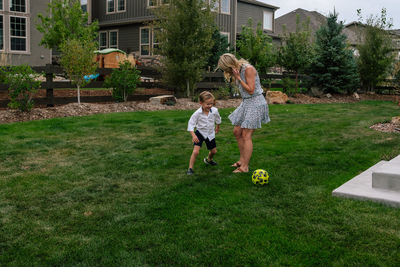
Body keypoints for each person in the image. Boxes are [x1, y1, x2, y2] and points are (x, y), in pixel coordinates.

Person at [217, 53, 270, 173]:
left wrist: (239, 78)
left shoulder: (248, 69)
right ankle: (241, 160)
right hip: (246, 102)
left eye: (227, 69)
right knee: (237, 131)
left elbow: (251, 90)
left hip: (256, 102)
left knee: (246, 135)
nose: (227, 72)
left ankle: (244, 167)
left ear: (230, 65)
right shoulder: (237, 70)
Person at [187, 91, 222, 175]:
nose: (210, 106)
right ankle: (190, 168)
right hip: (200, 133)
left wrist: (218, 127)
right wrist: (193, 135)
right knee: (196, 152)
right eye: (207, 104)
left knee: (213, 151)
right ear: (201, 103)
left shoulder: (214, 111)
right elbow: (191, 124)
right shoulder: (197, 113)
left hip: (210, 134)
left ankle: (209, 160)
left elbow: (218, 119)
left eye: (211, 104)